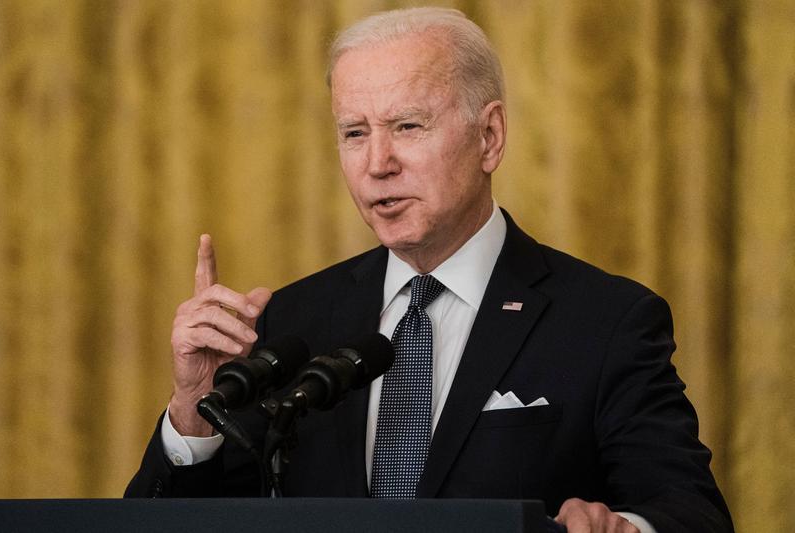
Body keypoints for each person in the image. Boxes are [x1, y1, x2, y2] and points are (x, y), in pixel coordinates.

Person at [126, 7, 733, 533]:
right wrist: (193, 410)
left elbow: (692, 513)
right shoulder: (293, 323)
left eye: (408, 126)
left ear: (489, 137)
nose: (378, 163)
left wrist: (625, 529)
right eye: (354, 132)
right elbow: (186, 524)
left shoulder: (605, 321)